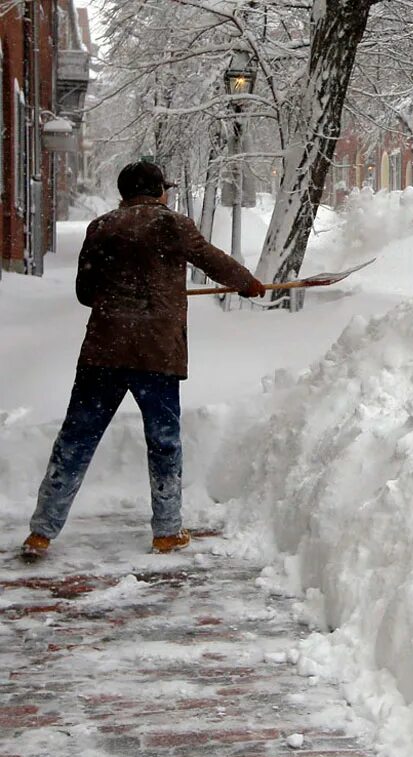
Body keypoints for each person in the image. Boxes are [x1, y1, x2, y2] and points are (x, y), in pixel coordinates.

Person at [20, 161, 266, 561]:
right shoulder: (171, 224)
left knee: (77, 437)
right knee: (163, 440)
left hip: (105, 350)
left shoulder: (100, 228)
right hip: (156, 351)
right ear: (158, 191)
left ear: (124, 193)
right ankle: (167, 531)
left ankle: (41, 531)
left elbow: (85, 293)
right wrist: (247, 283)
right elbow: (210, 259)